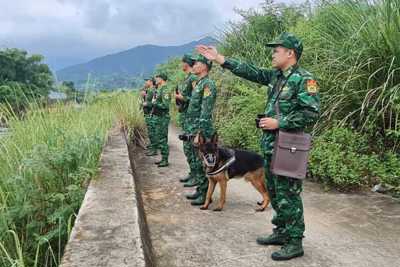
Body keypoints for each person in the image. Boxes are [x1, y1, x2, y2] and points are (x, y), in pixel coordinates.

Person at [196, 32, 320, 261]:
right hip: (272, 146)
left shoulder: (304, 79)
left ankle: (295, 242)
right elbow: (252, 71)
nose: (273, 54)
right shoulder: (277, 76)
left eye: (277, 50)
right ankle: (281, 232)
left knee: (288, 193)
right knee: (273, 190)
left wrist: (279, 122)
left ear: (290, 53)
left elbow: (311, 112)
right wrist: (220, 59)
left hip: (289, 147)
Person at [184, 54, 217, 205]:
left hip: (200, 129)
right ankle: (200, 189)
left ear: (204, 66)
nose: (194, 66)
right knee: (197, 162)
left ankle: (205, 195)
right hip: (193, 126)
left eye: (197, 64)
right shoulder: (199, 83)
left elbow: (205, 111)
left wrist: (200, 133)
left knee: (202, 162)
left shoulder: (207, 84)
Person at [175, 54, 199, 184]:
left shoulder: (193, 78)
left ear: (186, 63)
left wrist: (181, 98)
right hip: (185, 116)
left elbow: (196, 99)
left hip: (191, 118)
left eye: (182, 62)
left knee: (191, 147)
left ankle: (196, 176)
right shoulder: (187, 78)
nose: (181, 64)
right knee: (187, 147)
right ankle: (192, 172)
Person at [152, 73, 171, 167]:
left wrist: (155, 104)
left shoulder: (165, 90)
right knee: (160, 138)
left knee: (163, 139)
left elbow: (166, 105)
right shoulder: (160, 89)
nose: (156, 80)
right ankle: (163, 158)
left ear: (162, 79)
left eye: (157, 78)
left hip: (163, 117)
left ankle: (165, 159)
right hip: (159, 117)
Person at [142, 77, 158, 156]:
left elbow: (154, 103)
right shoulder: (149, 90)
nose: (145, 83)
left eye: (147, 81)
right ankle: (152, 146)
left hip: (151, 114)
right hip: (147, 113)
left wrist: (145, 104)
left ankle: (154, 149)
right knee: (150, 132)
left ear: (151, 82)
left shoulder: (153, 91)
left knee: (152, 132)